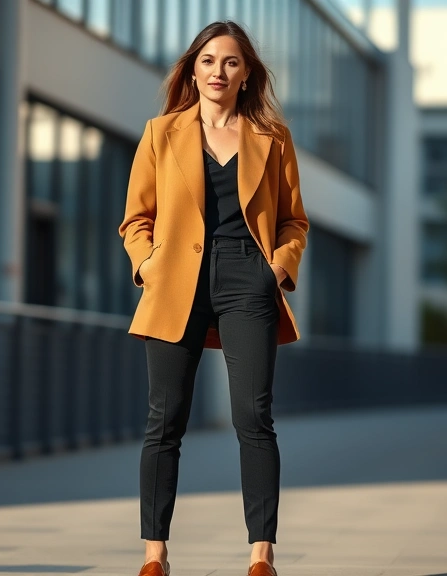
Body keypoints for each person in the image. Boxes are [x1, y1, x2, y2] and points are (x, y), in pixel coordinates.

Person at [118, 20, 310, 576]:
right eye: (208, 61)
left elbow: (294, 221)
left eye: (230, 62)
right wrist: (148, 263)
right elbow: (136, 218)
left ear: (247, 72)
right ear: (193, 69)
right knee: (166, 418)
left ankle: (261, 556)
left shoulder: (272, 137)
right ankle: (155, 556)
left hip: (248, 279)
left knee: (254, 415)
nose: (218, 72)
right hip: (176, 280)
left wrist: (275, 270)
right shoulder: (161, 133)